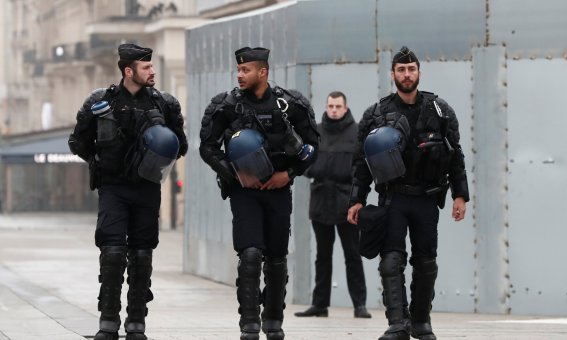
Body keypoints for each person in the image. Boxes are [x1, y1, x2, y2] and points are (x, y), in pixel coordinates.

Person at [347, 46, 469, 340]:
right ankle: (397, 323)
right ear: (393, 75)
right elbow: (360, 161)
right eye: (401, 70)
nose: (406, 74)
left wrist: (459, 195)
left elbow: (455, 155)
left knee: (426, 261)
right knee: (391, 261)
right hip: (393, 197)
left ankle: (421, 321)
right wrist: (357, 199)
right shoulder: (376, 114)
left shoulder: (440, 111)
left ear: (419, 73)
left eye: (411, 69)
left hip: (427, 198)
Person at [68, 43, 188, 340]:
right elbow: (77, 142)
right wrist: (98, 161)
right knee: (112, 253)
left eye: (152, 66)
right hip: (113, 188)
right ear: (128, 70)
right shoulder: (100, 102)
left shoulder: (165, 104)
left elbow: (181, 146)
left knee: (142, 254)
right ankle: (108, 320)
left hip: (147, 189)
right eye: (146, 67)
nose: (153, 71)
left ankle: (136, 321)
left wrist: (162, 144)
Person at [199, 47, 319, 340]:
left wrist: (287, 175)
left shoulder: (290, 104)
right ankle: (249, 322)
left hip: (278, 191)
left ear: (262, 72)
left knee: (276, 257)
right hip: (244, 193)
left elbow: (313, 147)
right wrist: (236, 175)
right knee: (250, 254)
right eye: (238, 70)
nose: (239, 75)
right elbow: (207, 147)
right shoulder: (226, 105)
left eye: (246, 71)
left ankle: (274, 320)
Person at [294, 91, 371, 319]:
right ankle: (320, 305)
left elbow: (361, 166)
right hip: (321, 200)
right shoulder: (315, 130)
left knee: (352, 255)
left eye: (338, 106)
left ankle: (360, 305)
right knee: (322, 256)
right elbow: (304, 160)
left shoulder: (356, 132)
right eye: (330, 106)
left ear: (345, 108)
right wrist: (315, 170)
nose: (334, 110)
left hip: (347, 202)